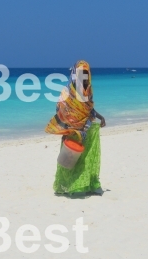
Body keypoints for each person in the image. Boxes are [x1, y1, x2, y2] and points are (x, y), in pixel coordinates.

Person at [45, 60, 106, 195]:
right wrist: (71, 126)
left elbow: (89, 109)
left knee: (85, 159)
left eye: (85, 73)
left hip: (87, 130)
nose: (82, 77)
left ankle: (86, 186)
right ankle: (69, 186)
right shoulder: (67, 91)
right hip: (72, 131)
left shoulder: (87, 90)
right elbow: (60, 110)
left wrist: (100, 117)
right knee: (70, 160)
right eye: (80, 73)